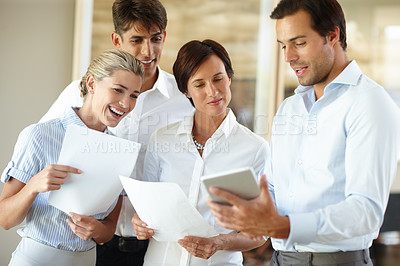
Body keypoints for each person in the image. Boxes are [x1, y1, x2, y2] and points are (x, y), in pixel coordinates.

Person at [207, 0, 400, 265]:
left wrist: (284, 226)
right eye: (283, 45)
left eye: (299, 43)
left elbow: (366, 212)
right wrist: (250, 212)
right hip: (281, 258)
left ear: (332, 35)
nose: (288, 57)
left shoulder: (370, 104)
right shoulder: (290, 108)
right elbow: (274, 186)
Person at [39, 0, 194, 265]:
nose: (148, 51)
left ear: (164, 37)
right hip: (86, 242)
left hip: (154, 247)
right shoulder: (82, 93)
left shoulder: (183, 101)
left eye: (156, 39)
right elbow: (42, 147)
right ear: (116, 39)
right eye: (137, 40)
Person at [0, 49, 144, 265]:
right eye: (118, 90)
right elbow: (5, 219)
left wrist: (96, 229)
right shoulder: (40, 135)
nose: (126, 103)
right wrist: (33, 186)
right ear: (92, 84)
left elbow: (108, 231)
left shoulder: (120, 152)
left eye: (134, 95)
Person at [132, 39, 268, 265]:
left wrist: (220, 242)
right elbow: (147, 209)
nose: (213, 91)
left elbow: (259, 233)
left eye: (218, 79)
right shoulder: (162, 140)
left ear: (229, 78)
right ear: (186, 90)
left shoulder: (254, 149)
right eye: (199, 84)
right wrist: (140, 222)